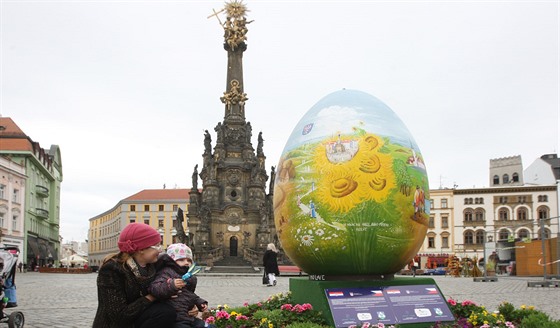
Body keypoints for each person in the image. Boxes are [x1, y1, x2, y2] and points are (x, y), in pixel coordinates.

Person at [92, 223, 177, 328]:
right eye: (157, 246)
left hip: (140, 319)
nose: (160, 250)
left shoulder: (154, 265)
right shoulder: (112, 270)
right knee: (164, 313)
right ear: (141, 249)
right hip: (115, 325)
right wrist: (153, 296)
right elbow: (119, 315)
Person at [150, 243, 211, 328]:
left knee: (207, 326)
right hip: (175, 317)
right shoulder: (166, 272)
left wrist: (200, 303)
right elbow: (155, 288)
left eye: (189, 260)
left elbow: (188, 294)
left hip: (188, 316)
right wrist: (171, 285)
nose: (186, 263)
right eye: (181, 260)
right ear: (172, 261)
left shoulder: (189, 276)